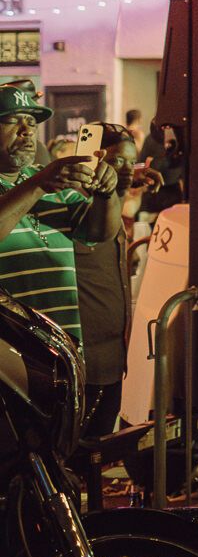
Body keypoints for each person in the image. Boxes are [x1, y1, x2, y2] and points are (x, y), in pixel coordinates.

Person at [0, 87, 121, 344]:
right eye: (12, 120)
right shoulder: (45, 179)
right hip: (10, 356)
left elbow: (99, 232)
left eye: (31, 122)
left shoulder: (49, 178)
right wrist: (39, 185)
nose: (27, 130)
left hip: (63, 346)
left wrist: (106, 193)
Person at [73, 124, 159, 437]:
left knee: (98, 445)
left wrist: (131, 182)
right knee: (83, 448)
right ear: (93, 156)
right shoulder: (74, 206)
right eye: (117, 161)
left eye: (131, 162)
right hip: (86, 356)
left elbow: (109, 199)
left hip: (111, 354)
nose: (126, 170)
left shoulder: (106, 202)